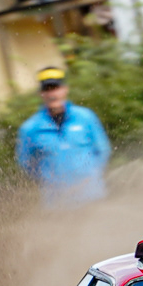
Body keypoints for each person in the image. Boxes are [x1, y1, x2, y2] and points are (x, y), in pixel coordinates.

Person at [17, 66, 112, 207]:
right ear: (41, 93)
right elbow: (26, 163)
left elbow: (103, 150)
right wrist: (50, 182)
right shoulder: (29, 128)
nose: (52, 94)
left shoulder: (86, 117)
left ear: (65, 89)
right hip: (57, 204)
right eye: (47, 89)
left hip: (92, 197)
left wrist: (91, 176)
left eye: (55, 88)